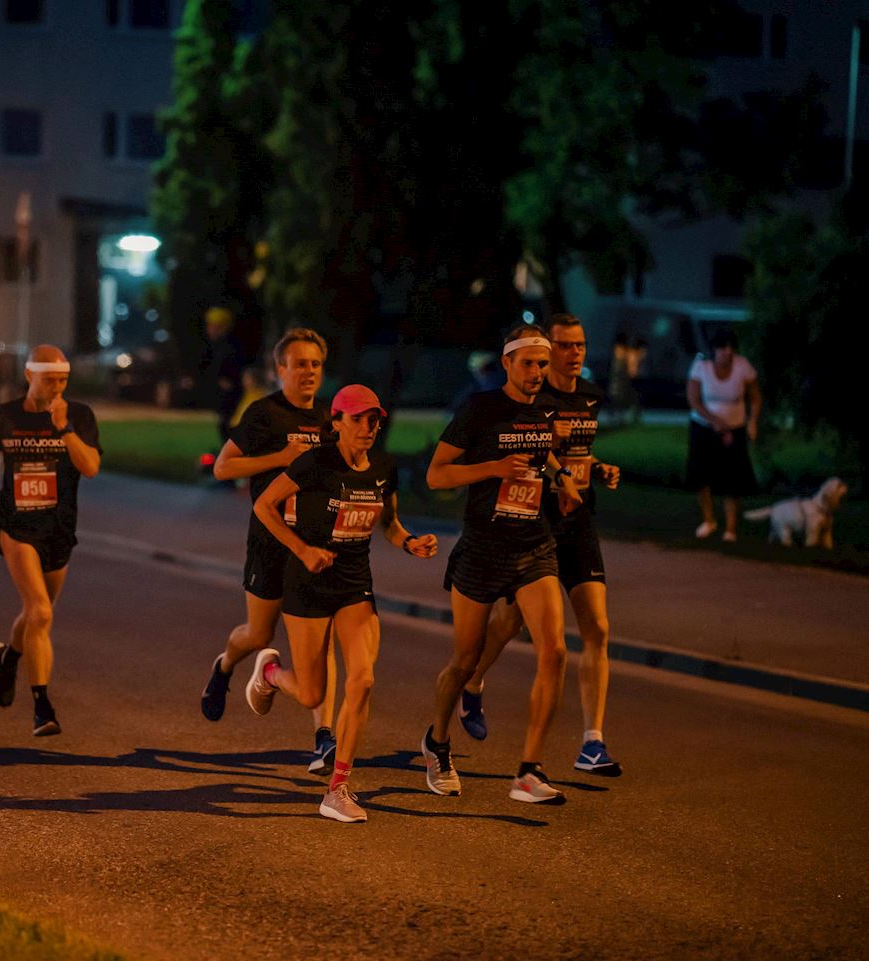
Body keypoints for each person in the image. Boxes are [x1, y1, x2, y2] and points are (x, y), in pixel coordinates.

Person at [244, 385, 438, 822]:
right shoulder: (315, 462)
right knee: (313, 692)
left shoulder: (383, 468)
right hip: (308, 583)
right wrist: (302, 549)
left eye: (374, 419)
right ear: (337, 423)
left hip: (354, 584)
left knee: (363, 680)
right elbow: (264, 505)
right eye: (357, 419)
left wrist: (408, 541)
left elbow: (388, 520)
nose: (368, 427)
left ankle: (339, 788)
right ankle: (271, 673)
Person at [457, 314, 625, 777]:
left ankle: (593, 742)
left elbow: (578, 452)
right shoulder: (535, 397)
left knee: (598, 627)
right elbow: (535, 454)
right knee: (509, 621)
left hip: (580, 521)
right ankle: (472, 680)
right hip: (539, 523)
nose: (575, 353)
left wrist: (598, 469)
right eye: (565, 345)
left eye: (580, 345)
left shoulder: (589, 396)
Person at [422, 324, 583, 805]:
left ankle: (529, 771)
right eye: (529, 363)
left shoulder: (546, 409)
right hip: (482, 548)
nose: (537, 372)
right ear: (508, 363)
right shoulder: (480, 408)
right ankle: (437, 742)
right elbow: (436, 475)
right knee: (464, 660)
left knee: (554, 651)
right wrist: (492, 468)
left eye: (542, 363)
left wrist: (564, 479)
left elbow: (544, 450)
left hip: (534, 544)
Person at [200, 328, 342, 774]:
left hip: (314, 547)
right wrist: (281, 457)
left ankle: (325, 737)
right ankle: (225, 668)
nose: (308, 373)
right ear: (280, 369)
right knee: (258, 636)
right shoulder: (264, 414)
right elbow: (223, 468)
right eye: (299, 364)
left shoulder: (329, 417)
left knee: (323, 643)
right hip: (269, 542)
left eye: (315, 365)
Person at [0, 344, 102, 736]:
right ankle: (42, 708)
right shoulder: (4, 416)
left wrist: (64, 429)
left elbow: (91, 467)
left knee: (33, 615)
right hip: (17, 525)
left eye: (63, 380)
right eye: (49, 380)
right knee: (41, 612)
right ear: (29, 376)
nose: (56, 387)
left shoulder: (78, 416)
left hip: (59, 528)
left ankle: (9, 657)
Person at [687, 329, 761, 543]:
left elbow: (755, 397)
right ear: (714, 350)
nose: (727, 352)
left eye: (730, 347)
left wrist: (752, 421)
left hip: (735, 426)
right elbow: (694, 399)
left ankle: (730, 528)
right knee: (702, 474)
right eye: (722, 347)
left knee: (732, 477)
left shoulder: (743, 366)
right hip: (704, 426)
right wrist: (714, 421)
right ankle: (709, 520)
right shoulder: (701, 366)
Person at [199, 307, 245, 445]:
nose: (209, 329)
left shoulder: (228, 348)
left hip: (230, 397)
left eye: (212, 326)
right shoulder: (219, 346)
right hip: (226, 397)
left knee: (227, 428)